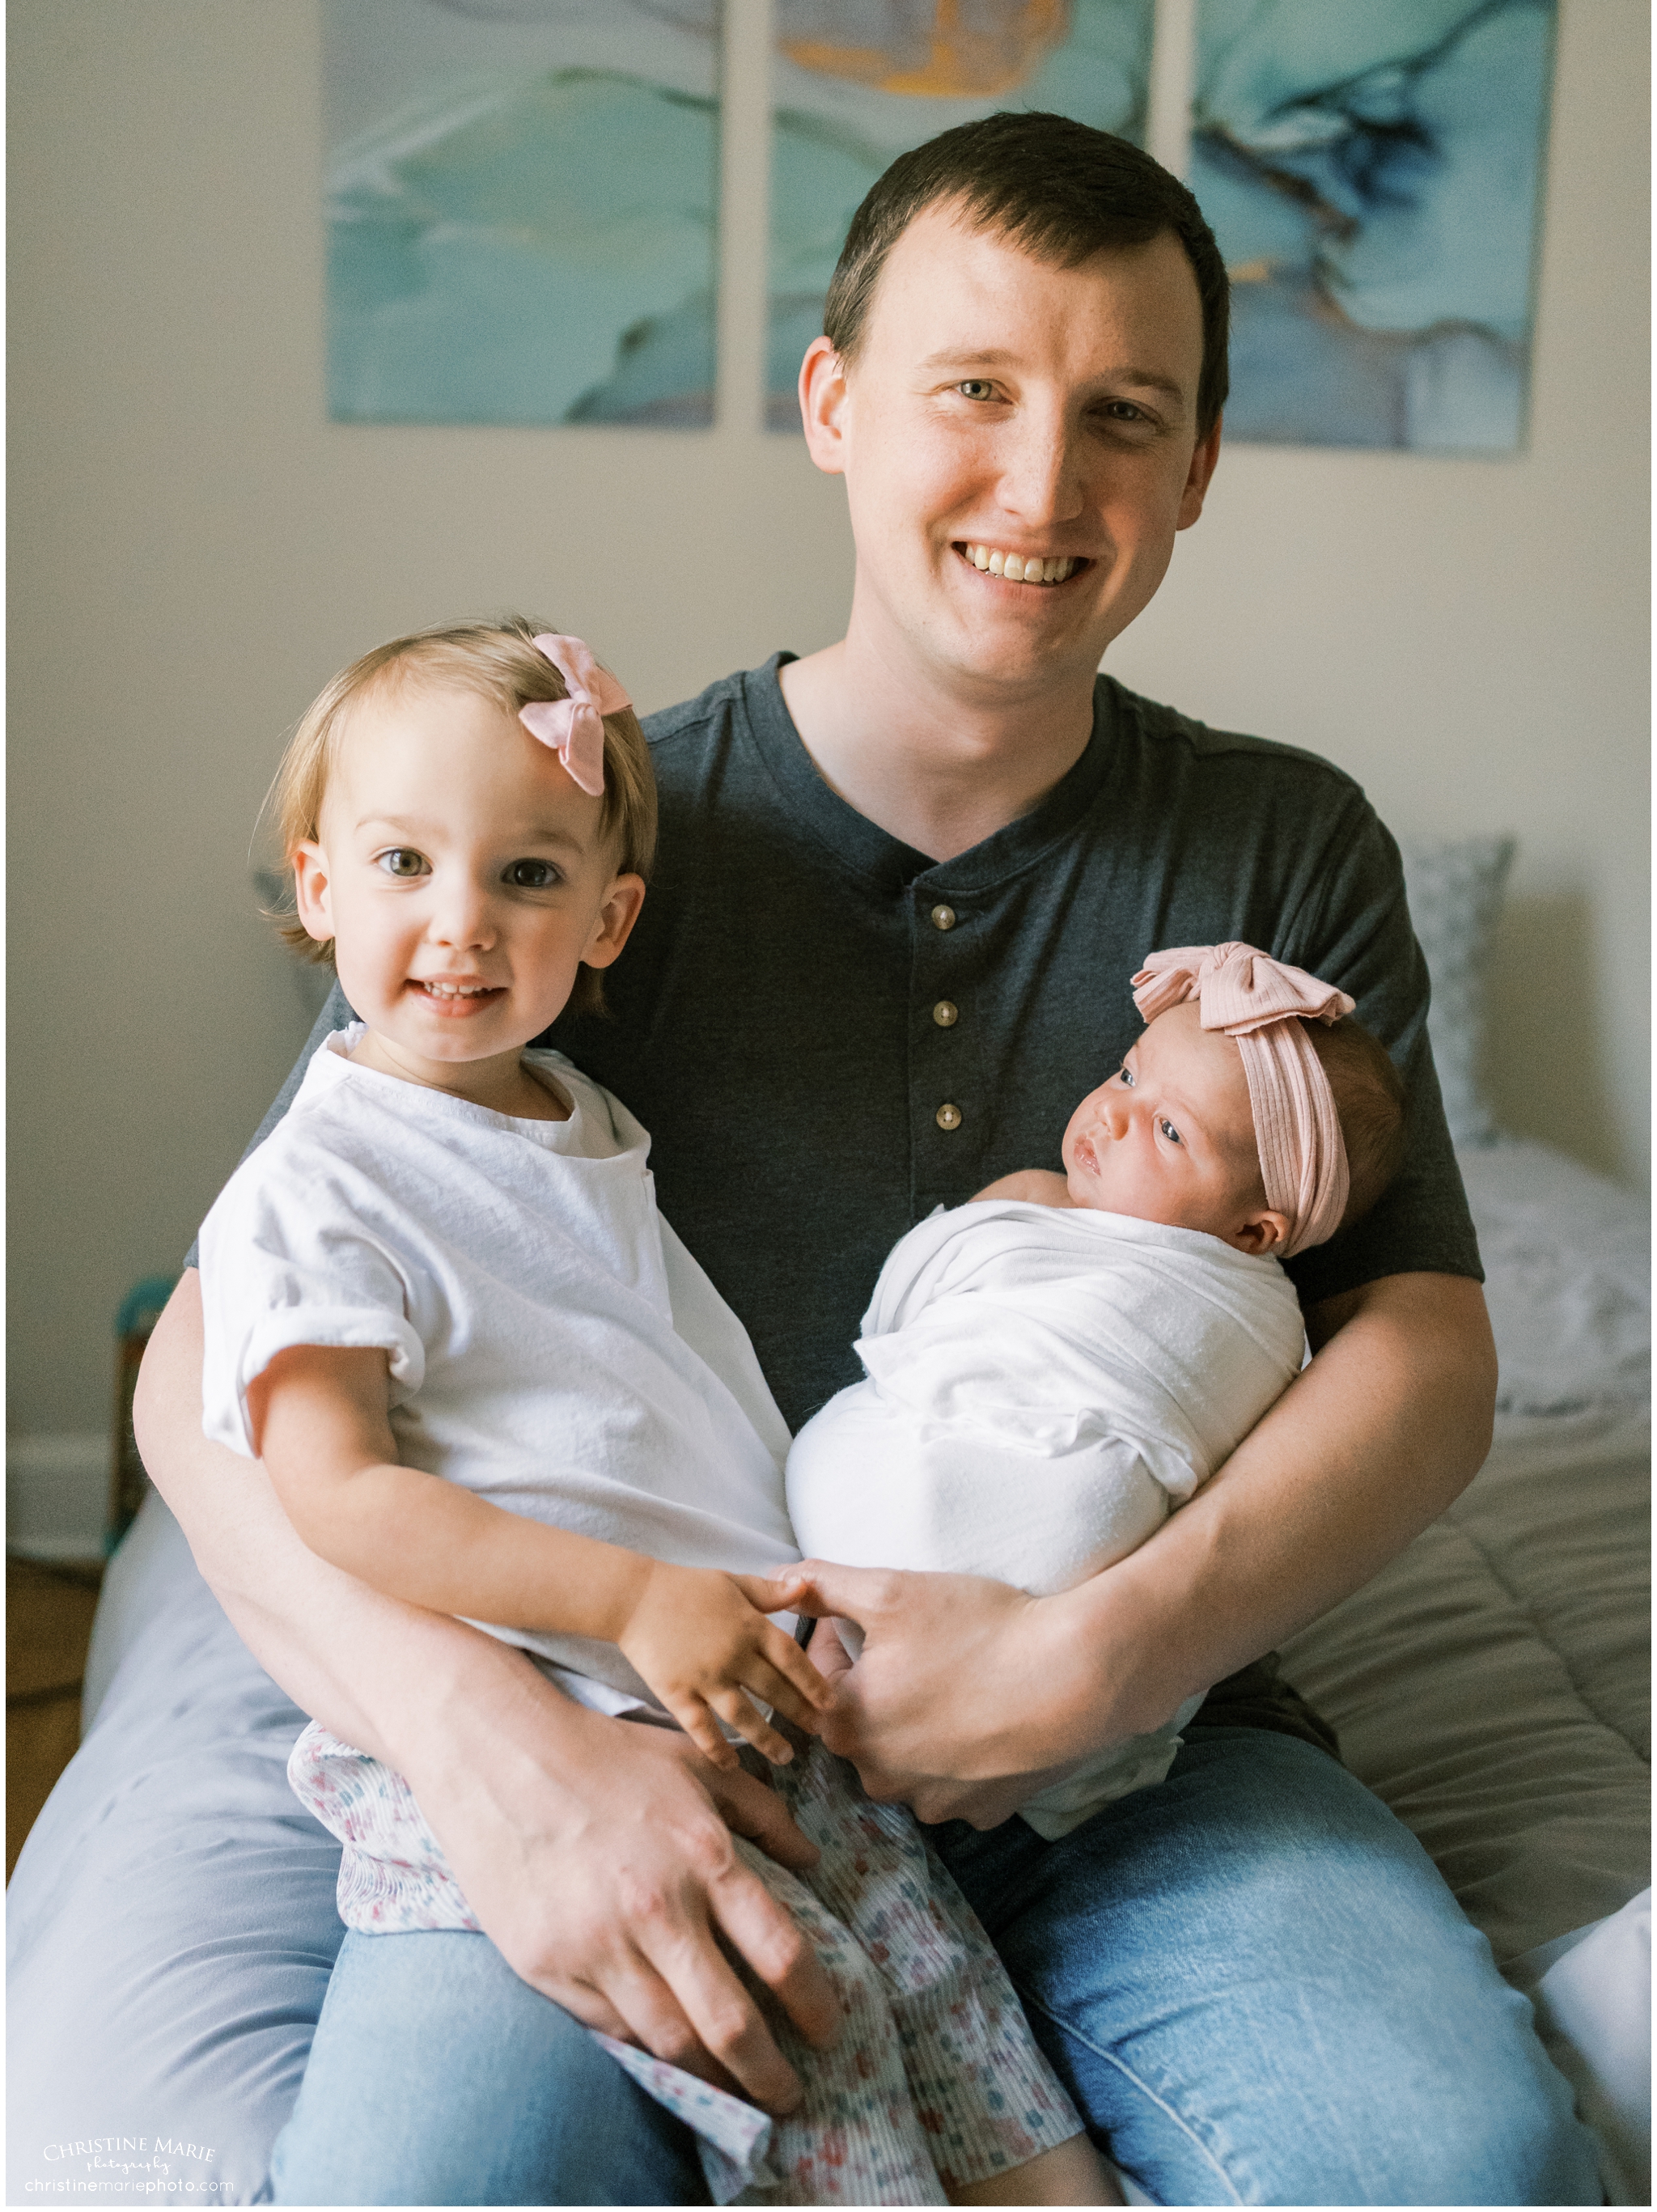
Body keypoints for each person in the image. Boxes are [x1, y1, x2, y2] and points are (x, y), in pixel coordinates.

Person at [113, 111, 1596, 2202]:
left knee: (1446, 2159)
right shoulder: (586, 845)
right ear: (833, 406)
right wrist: (484, 1747)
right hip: (644, 1741)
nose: (1042, 482)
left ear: (1196, 473)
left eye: (1123, 417)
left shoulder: (1286, 847)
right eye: (973, 390)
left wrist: (1102, 1649)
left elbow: (1427, 1348)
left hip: (1143, 1755)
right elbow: (206, 1375)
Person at [197, 613, 1105, 2207]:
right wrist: (633, 1596)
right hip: (569, 1705)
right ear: (319, 884)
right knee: (820, 2061)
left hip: (746, 1689)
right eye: (404, 862)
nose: (462, 923)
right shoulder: (316, 1183)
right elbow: (332, 1491)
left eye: (526, 876)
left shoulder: (580, 1116)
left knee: (966, 2026)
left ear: (609, 916)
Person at [786, 943, 1402, 1841]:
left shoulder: (1250, 1320)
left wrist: (1001, 1216)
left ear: (1250, 1230)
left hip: (1091, 1630)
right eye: (1126, 1072)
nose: (1112, 1114)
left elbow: (899, 1311)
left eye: (1167, 1131)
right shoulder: (1070, 1220)